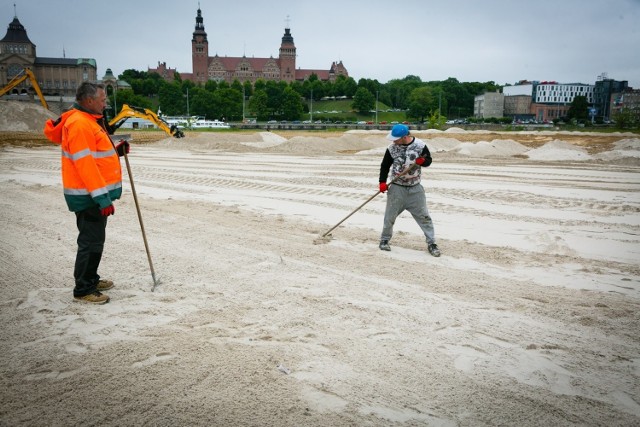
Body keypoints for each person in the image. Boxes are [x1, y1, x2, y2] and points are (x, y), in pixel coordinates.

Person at [44, 82, 130, 304]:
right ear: (89, 101)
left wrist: (116, 152)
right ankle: (83, 288)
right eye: (102, 100)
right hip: (88, 195)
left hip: (91, 193)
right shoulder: (80, 125)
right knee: (91, 242)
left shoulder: (86, 120)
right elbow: (86, 166)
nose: (106, 103)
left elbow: (96, 155)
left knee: (94, 240)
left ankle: (90, 277)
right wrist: (102, 198)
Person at [378, 123, 440, 257]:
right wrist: (382, 182)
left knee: (424, 217)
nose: (394, 140)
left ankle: (432, 243)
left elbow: (428, 161)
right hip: (397, 188)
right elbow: (385, 166)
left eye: (396, 138)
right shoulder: (392, 148)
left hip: (415, 188)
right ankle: (384, 240)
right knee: (390, 217)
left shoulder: (420, 146)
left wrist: (423, 161)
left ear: (405, 137)